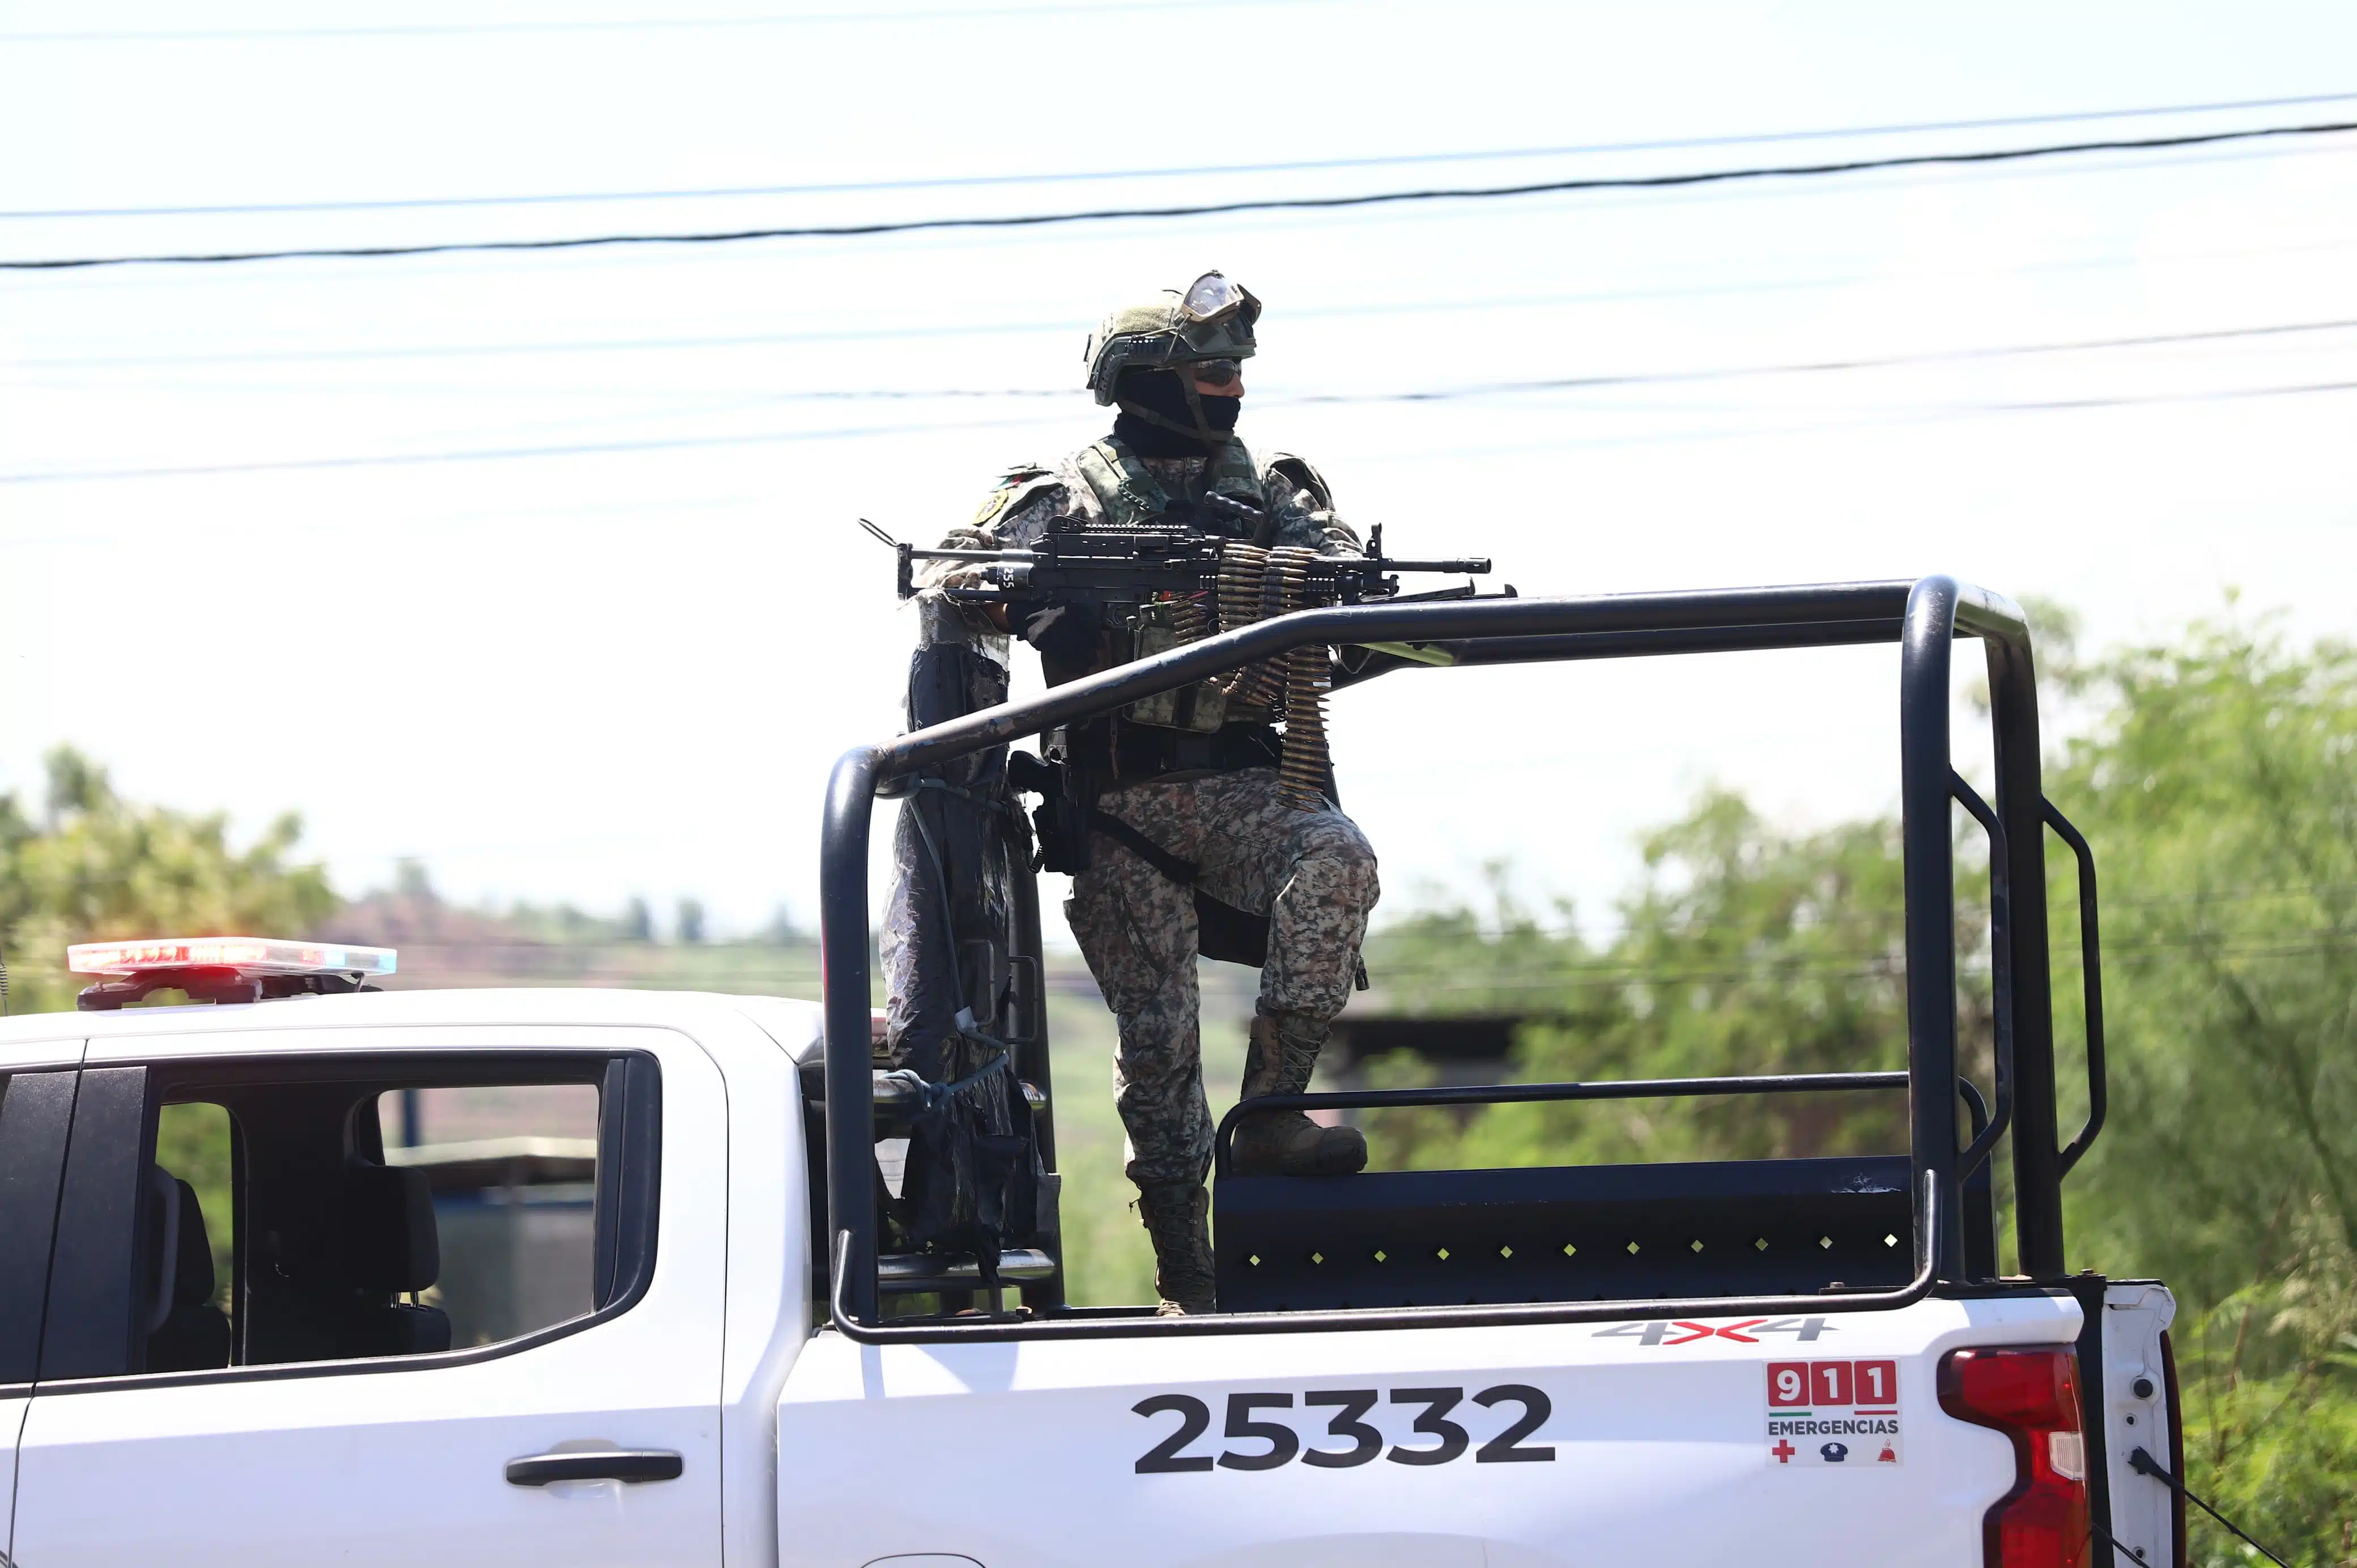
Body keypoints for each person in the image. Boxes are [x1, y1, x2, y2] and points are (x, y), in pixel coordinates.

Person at [922, 272, 1380, 1315]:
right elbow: (956, 577)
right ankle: (1187, 1272)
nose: (1229, 389)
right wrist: (1037, 588)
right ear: (1146, 380)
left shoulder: (1271, 490)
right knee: (1160, 1045)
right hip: (1120, 810)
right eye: (1210, 370)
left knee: (1340, 862)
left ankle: (1271, 1113)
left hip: (1248, 787)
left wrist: (1311, 582)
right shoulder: (1063, 496)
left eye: (1235, 371)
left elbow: (1344, 571)